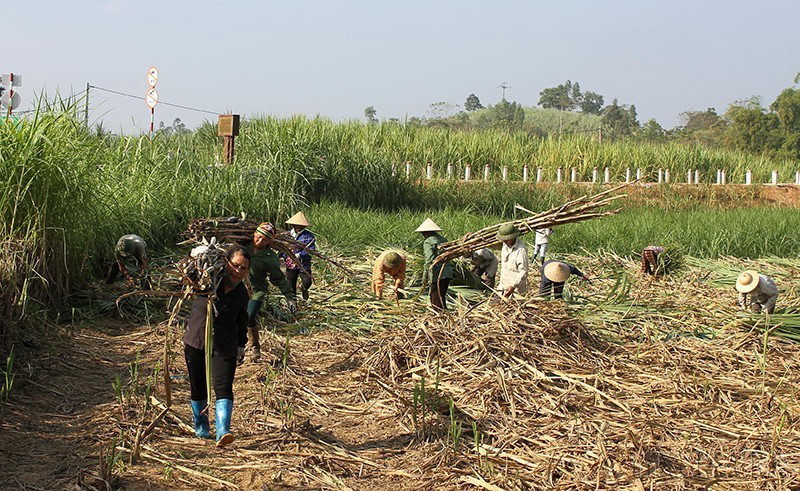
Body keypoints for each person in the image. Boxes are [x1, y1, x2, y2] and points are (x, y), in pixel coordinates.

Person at [183, 246, 250, 447]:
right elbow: (189, 276)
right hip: (196, 340)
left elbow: (242, 321)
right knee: (198, 386)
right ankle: (202, 427)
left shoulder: (241, 294)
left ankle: (223, 430)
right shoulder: (208, 280)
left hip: (224, 345)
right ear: (226, 262)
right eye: (235, 265)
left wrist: (241, 345)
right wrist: (195, 261)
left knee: (223, 387)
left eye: (244, 268)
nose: (238, 271)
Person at [247, 222, 297, 361]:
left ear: (269, 241)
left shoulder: (270, 258)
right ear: (255, 233)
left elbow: (279, 279)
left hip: (257, 290)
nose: (260, 240)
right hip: (238, 287)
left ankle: (255, 346)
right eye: (259, 236)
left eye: (265, 239)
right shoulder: (243, 245)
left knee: (249, 315)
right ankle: (236, 344)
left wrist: (289, 297)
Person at [416, 218, 453, 310]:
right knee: (442, 297)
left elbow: (429, 259)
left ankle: (440, 320)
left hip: (437, 273)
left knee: (436, 300)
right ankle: (445, 317)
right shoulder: (443, 239)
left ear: (426, 232)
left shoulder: (428, 241)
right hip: (448, 272)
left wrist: (425, 276)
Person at [283, 211, 316, 301]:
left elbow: (311, 250)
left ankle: (304, 288)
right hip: (291, 264)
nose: (297, 226)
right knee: (290, 284)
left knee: (307, 281)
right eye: (295, 224)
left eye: (300, 225)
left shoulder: (309, 236)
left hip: (303, 263)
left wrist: (300, 255)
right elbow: (283, 247)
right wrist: (284, 256)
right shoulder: (287, 235)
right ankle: (293, 303)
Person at [496, 224, 529, 297]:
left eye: (506, 239)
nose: (504, 240)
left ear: (512, 237)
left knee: (511, 308)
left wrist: (513, 286)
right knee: (494, 305)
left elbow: (524, 272)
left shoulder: (521, 251)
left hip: (515, 290)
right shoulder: (505, 244)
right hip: (502, 285)